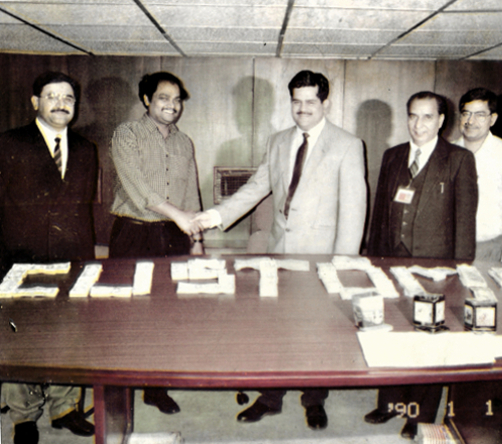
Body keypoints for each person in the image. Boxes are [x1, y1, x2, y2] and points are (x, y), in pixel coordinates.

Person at [196, 70, 367, 429]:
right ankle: (270, 397)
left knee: (316, 330)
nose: (302, 108)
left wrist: (342, 265)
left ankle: (314, 399)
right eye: (296, 101)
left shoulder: (348, 144)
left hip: (320, 257)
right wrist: (213, 216)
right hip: (277, 252)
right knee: (273, 327)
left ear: (325, 103)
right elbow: (256, 187)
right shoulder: (277, 141)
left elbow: (354, 211)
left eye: (310, 101)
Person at [365, 91, 478, 439]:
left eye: (427, 117)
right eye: (413, 116)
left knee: (429, 340)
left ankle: (420, 414)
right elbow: (381, 212)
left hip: (437, 268)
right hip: (392, 262)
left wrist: (458, 270)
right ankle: (391, 403)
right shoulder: (393, 155)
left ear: (441, 120)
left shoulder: (458, 159)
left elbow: (464, 221)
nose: (419, 124)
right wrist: (375, 261)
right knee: (393, 332)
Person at [0, 71, 97, 443]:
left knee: (69, 336)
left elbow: (84, 210)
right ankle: (24, 418)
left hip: (70, 260)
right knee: (19, 338)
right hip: (18, 259)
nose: (61, 103)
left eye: (68, 97)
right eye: (52, 96)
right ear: (35, 102)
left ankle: (64, 408)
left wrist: (87, 263)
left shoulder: (86, 149)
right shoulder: (9, 143)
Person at [109, 71, 203, 414]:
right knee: (128, 314)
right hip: (134, 233)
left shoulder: (184, 142)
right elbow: (137, 188)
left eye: (177, 100)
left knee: (167, 315)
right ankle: (121, 386)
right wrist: (178, 214)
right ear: (147, 100)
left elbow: (191, 193)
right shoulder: (127, 133)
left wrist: (197, 240)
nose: (172, 106)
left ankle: (156, 388)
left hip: (173, 236)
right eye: (164, 98)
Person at [453, 87, 502, 263]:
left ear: (492, 119)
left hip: (489, 248)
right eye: (466, 113)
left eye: (480, 115)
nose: (471, 120)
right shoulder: (448, 152)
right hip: (450, 247)